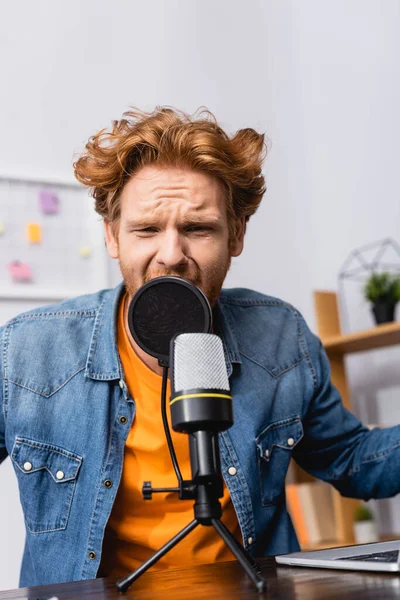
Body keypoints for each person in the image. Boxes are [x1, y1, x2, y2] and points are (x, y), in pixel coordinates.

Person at [1, 107, 399, 588]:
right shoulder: (25, 351)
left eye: (197, 229)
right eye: (147, 230)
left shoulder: (281, 337)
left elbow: (354, 461)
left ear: (236, 234)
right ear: (112, 235)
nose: (171, 255)